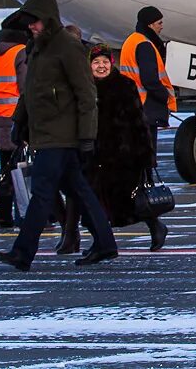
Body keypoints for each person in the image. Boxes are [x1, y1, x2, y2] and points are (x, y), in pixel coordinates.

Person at [0, 0, 117, 271]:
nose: (32, 27)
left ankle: (23, 252)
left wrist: (87, 136)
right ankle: (106, 244)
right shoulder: (36, 49)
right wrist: (18, 123)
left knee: (42, 192)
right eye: (29, 24)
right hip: (46, 133)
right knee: (80, 190)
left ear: (47, 19)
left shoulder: (67, 47)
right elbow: (30, 93)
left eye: (35, 22)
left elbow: (86, 94)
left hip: (62, 135)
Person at [59, 44, 168, 253]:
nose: (101, 67)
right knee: (93, 204)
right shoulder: (84, 87)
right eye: (96, 62)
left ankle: (155, 226)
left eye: (105, 62)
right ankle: (99, 242)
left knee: (128, 201)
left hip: (122, 155)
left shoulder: (124, 85)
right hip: (94, 155)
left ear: (112, 63)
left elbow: (139, 121)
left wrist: (146, 156)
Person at [120, 6, 177, 157]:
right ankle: (146, 181)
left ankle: (140, 180)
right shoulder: (145, 44)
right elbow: (150, 80)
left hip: (131, 104)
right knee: (146, 154)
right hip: (145, 106)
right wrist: (165, 96)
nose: (161, 26)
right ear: (150, 25)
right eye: (159, 23)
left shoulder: (131, 40)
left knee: (135, 151)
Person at [0, 22, 30, 228]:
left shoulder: (1, 54)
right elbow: (26, 88)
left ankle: (2, 216)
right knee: (21, 169)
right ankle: (23, 214)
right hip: (16, 118)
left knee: (6, 168)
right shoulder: (21, 52)